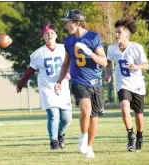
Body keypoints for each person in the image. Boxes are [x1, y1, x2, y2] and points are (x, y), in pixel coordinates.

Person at [55, 9, 107, 158]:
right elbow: (66, 63)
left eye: (68, 22)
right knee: (86, 109)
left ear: (77, 23)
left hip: (96, 82)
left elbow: (104, 61)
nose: (66, 25)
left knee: (94, 116)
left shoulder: (93, 37)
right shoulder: (68, 41)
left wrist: (90, 53)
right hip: (78, 81)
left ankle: (89, 147)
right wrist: (60, 80)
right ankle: (83, 136)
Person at [16, 24, 72, 150]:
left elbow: (72, 63)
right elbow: (29, 71)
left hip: (62, 86)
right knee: (53, 115)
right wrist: (20, 84)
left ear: (56, 35)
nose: (49, 35)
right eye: (46, 33)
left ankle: (60, 135)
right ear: (43, 36)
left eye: (52, 32)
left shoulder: (65, 49)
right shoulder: (38, 53)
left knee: (66, 119)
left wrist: (69, 72)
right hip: (47, 87)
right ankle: (53, 142)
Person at [105, 18, 149, 152]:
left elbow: (147, 65)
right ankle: (131, 136)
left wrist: (136, 66)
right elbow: (108, 61)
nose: (116, 35)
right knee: (124, 106)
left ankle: (139, 137)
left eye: (119, 32)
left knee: (138, 115)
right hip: (122, 84)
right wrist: (107, 74)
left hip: (137, 85)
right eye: (116, 32)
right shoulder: (112, 49)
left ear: (127, 34)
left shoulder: (136, 48)